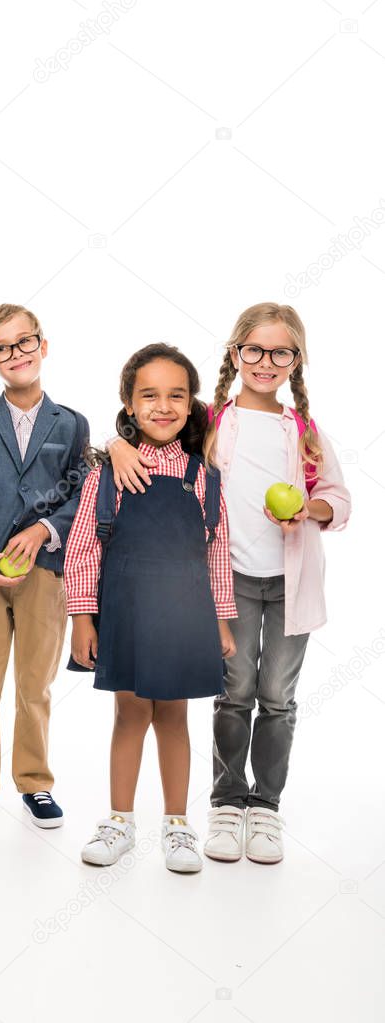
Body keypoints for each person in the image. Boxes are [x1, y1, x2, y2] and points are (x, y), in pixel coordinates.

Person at [107, 304, 351, 864]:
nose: (266, 362)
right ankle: (225, 801)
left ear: (296, 360)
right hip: (227, 582)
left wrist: (309, 509)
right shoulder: (209, 420)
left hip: (291, 581)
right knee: (234, 692)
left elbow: (339, 500)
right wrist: (118, 444)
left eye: (280, 352)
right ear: (235, 354)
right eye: (255, 351)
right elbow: (149, 420)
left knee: (278, 699)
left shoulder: (305, 432)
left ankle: (265, 807)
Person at [65, 343, 237, 873]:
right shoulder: (106, 472)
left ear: (190, 405)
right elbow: (83, 550)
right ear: (129, 402)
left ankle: (178, 826)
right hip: (127, 611)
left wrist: (222, 620)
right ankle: (119, 820)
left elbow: (218, 552)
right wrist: (81, 618)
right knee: (129, 715)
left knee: (175, 718)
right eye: (149, 395)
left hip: (185, 616)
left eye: (175, 396)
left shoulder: (204, 478)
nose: (163, 406)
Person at [0, 304, 88, 835]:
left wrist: (43, 530)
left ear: (43, 345)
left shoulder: (72, 422)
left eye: (24, 342)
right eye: (2, 349)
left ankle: (35, 783)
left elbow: (81, 495)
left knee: (36, 684)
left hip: (45, 573)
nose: (16, 354)